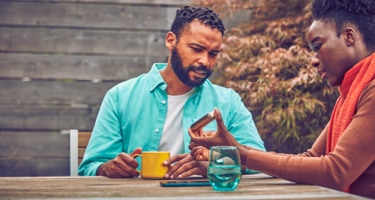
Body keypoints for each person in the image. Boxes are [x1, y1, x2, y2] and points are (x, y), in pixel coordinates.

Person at [188, 0, 375, 198]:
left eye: (318, 46)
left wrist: (239, 153)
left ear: (349, 36)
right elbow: (310, 158)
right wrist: (234, 149)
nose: (313, 60)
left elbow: (335, 172)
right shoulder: (349, 98)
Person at [78, 5, 265, 179]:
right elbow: (90, 168)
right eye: (196, 49)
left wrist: (213, 165)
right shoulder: (120, 97)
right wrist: (108, 168)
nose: (205, 61)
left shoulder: (228, 102)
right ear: (171, 41)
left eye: (213, 53)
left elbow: (259, 162)